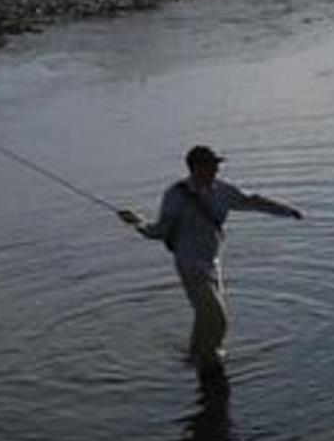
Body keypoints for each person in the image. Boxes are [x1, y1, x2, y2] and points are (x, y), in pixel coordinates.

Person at [120, 145, 302, 368]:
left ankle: (197, 357)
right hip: (189, 264)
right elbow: (160, 232)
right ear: (195, 168)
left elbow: (253, 201)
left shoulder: (222, 191)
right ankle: (209, 360)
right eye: (211, 166)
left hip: (212, 263)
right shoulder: (175, 195)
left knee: (205, 318)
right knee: (218, 318)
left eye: (216, 166)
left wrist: (287, 211)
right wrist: (137, 222)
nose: (216, 170)